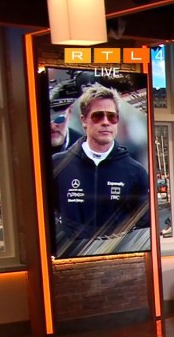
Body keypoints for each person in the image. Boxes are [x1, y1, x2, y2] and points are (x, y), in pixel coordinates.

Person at [51, 84, 149, 258]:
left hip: (118, 259)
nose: (106, 122)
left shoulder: (136, 172)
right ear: (84, 120)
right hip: (69, 258)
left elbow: (143, 224)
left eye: (112, 117)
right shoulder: (57, 165)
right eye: (97, 116)